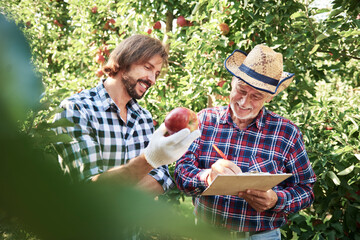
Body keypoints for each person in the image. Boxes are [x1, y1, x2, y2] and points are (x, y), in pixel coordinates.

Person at [174, 44, 316, 239]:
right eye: (241, 90)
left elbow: (306, 189)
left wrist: (276, 200)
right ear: (233, 82)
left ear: (269, 97)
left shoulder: (286, 133)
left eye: (256, 96)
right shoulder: (205, 121)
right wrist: (207, 178)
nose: (244, 102)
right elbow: (181, 172)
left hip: (260, 236)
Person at [53, 34, 200, 195]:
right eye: (147, 67)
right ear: (125, 60)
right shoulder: (77, 109)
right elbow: (89, 189)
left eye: (156, 74)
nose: (152, 80)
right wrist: (149, 160)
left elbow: (161, 179)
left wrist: (114, 189)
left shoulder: (143, 117)